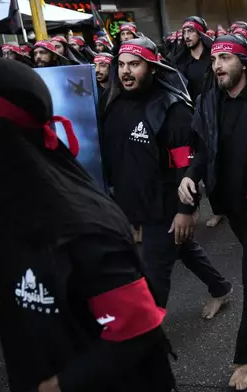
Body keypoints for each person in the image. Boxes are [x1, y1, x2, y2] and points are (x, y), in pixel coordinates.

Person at [0, 57, 177, 391]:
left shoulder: (84, 229)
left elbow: (137, 329)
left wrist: (60, 385)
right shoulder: (18, 207)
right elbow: (20, 267)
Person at [99, 37, 232, 318]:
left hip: (165, 207)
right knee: (183, 249)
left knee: (154, 271)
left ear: (153, 67)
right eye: (121, 64)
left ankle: (145, 335)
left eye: (134, 64)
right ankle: (220, 288)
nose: (125, 71)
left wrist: (186, 210)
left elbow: (190, 165)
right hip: (130, 202)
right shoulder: (115, 102)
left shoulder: (173, 110)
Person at [179, 34, 247, 391]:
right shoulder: (209, 102)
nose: (218, 65)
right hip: (233, 207)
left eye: (225, 57)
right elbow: (201, 153)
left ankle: (244, 360)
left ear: (244, 61)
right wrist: (189, 178)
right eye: (214, 59)